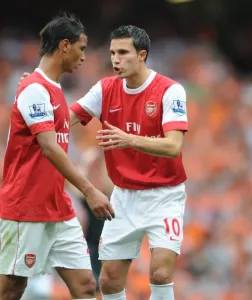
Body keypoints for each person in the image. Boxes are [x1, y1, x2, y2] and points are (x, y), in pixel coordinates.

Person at [0, 12, 115, 300]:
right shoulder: (35, 90)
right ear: (64, 45)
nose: (84, 56)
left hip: (58, 209)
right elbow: (49, 148)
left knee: (87, 286)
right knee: (13, 288)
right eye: (81, 47)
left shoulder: (51, 90)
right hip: (26, 207)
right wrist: (89, 191)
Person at [70, 25, 188, 300]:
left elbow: (173, 146)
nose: (115, 59)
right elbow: (66, 117)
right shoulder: (105, 89)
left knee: (160, 273)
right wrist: (38, 95)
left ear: (142, 55)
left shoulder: (170, 90)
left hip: (164, 195)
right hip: (123, 197)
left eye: (123, 52)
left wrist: (130, 139)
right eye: (112, 53)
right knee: (109, 280)